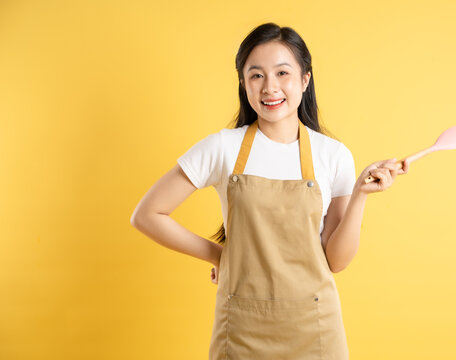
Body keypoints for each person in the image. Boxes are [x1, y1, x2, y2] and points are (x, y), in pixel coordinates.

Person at [131, 22, 409, 360]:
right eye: (256, 75)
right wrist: (221, 255)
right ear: (243, 83)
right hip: (242, 331)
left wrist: (360, 196)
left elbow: (336, 261)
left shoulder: (333, 155)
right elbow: (147, 215)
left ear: (305, 79)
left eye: (282, 73)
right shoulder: (222, 148)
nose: (269, 88)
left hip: (315, 330)